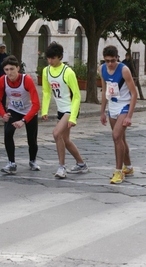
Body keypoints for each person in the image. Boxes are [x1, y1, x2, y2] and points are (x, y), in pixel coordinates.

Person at [41, 42, 88, 178]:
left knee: (56, 134)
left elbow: (77, 95)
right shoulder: (46, 71)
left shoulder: (68, 72)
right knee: (65, 140)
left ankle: (61, 167)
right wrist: (44, 110)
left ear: (60, 57)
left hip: (70, 108)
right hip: (61, 110)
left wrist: (73, 117)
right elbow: (46, 92)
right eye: (48, 58)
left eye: (53, 58)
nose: (50, 61)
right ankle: (81, 164)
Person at [0, 55, 41, 174]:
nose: (9, 73)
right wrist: (3, 114)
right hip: (13, 110)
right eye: (6, 70)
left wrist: (24, 120)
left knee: (32, 139)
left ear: (18, 68)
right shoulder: (2, 80)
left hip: (29, 111)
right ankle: (11, 163)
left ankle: (32, 160)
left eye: (12, 69)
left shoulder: (27, 80)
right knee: (8, 133)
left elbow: (36, 105)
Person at [99, 45, 137, 184]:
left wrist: (129, 116)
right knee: (120, 139)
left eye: (113, 60)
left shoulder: (124, 70)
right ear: (104, 59)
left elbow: (134, 94)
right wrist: (102, 111)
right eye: (107, 61)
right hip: (113, 106)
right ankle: (129, 167)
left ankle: (118, 171)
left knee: (116, 136)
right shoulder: (102, 69)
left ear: (117, 58)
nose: (110, 64)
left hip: (124, 105)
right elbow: (104, 90)